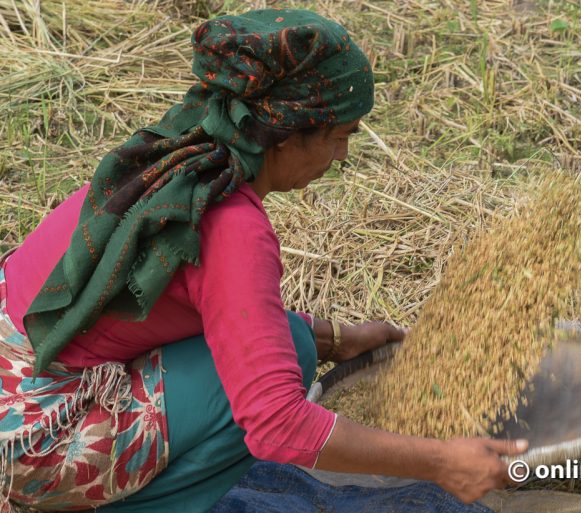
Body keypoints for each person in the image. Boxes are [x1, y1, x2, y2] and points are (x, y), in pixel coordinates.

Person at [0, 9, 527, 513]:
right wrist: (442, 462)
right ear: (287, 133)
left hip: (16, 379)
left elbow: (207, 308)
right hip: (29, 442)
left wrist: (338, 339)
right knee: (282, 366)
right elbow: (276, 425)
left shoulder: (174, 156)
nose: (341, 157)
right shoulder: (233, 228)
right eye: (339, 137)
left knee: (294, 342)